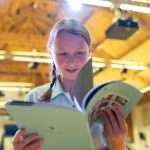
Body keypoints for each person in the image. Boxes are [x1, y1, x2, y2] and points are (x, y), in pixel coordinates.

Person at [12, 18, 127, 150]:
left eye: (79, 53)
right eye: (63, 53)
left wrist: (118, 144)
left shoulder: (105, 97)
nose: (72, 62)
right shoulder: (33, 98)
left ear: (89, 52)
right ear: (50, 53)